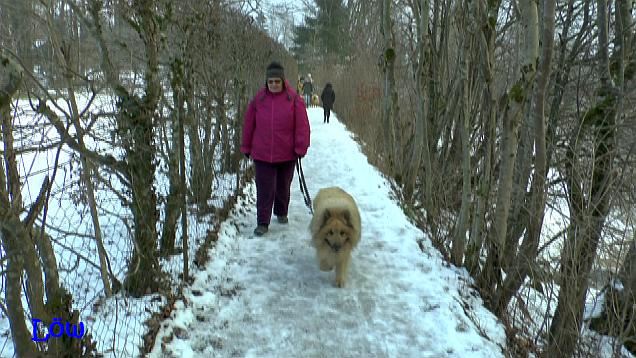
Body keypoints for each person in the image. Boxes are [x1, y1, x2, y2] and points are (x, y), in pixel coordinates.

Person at [241, 61, 311, 236]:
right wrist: (246, 145)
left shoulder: (294, 99)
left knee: (283, 186)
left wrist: (300, 147)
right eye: (270, 81)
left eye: (276, 81)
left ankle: (281, 212)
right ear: (266, 82)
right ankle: (262, 222)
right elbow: (249, 124)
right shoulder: (258, 100)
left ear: (282, 81)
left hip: (287, 153)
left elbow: (302, 126)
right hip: (262, 153)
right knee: (264, 188)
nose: (273, 84)